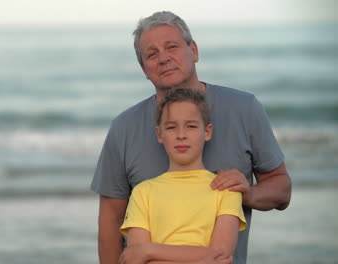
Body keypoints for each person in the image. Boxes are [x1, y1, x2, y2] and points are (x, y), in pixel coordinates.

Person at [90, 11, 292, 264]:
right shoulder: (124, 128)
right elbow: (111, 221)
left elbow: (282, 190)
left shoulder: (244, 108)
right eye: (152, 54)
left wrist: (245, 194)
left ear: (194, 51)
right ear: (144, 69)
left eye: (171, 47)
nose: (164, 58)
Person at [119, 88, 247, 264]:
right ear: (160, 134)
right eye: (171, 127)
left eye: (191, 126)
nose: (181, 135)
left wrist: (150, 250)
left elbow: (220, 255)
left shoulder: (226, 188)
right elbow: (135, 259)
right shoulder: (143, 192)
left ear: (207, 132)